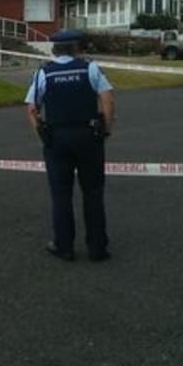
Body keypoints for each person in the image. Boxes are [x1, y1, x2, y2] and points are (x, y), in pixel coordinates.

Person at [25, 29, 115, 262]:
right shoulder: (90, 68)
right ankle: (97, 247)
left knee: (61, 194)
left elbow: (32, 107)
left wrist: (40, 134)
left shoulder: (43, 73)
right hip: (88, 135)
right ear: (76, 48)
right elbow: (107, 98)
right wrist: (106, 128)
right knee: (93, 192)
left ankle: (64, 246)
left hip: (57, 138)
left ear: (54, 50)